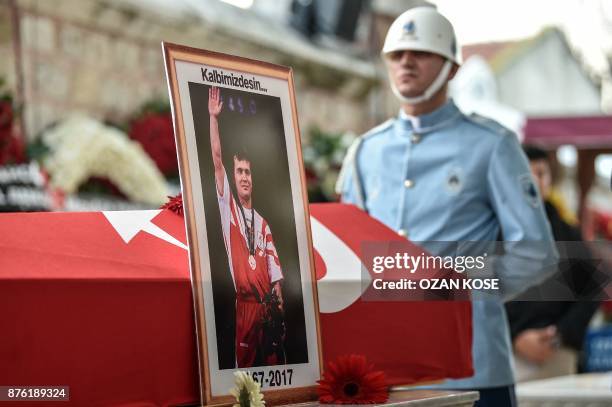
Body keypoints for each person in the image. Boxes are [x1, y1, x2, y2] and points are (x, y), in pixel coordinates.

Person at [336, 7, 557, 407]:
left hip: (473, 365)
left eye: (421, 52)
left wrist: (458, 290)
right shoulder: (365, 151)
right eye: (397, 54)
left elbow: (536, 253)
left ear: (451, 68)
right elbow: (348, 254)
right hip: (384, 367)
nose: (406, 62)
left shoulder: (492, 145)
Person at [505, 145, 600, 382]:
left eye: (541, 173)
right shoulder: (491, 230)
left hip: (557, 353)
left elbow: (590, 291)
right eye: (527, 174)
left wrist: (561, 334)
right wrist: (515, 335)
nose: (536, 181)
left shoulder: (567, 232)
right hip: (506, 353)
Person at [208, 86, 286, 368]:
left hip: (267, 311)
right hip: (245, 308)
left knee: (274, 371)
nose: (243, 177)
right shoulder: (228, 209)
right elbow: (217, 160)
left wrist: (280, 315)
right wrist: (213, 119)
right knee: (246, 377)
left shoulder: (263, 223)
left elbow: (276, 277)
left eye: (247, 172)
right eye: (239, 171)